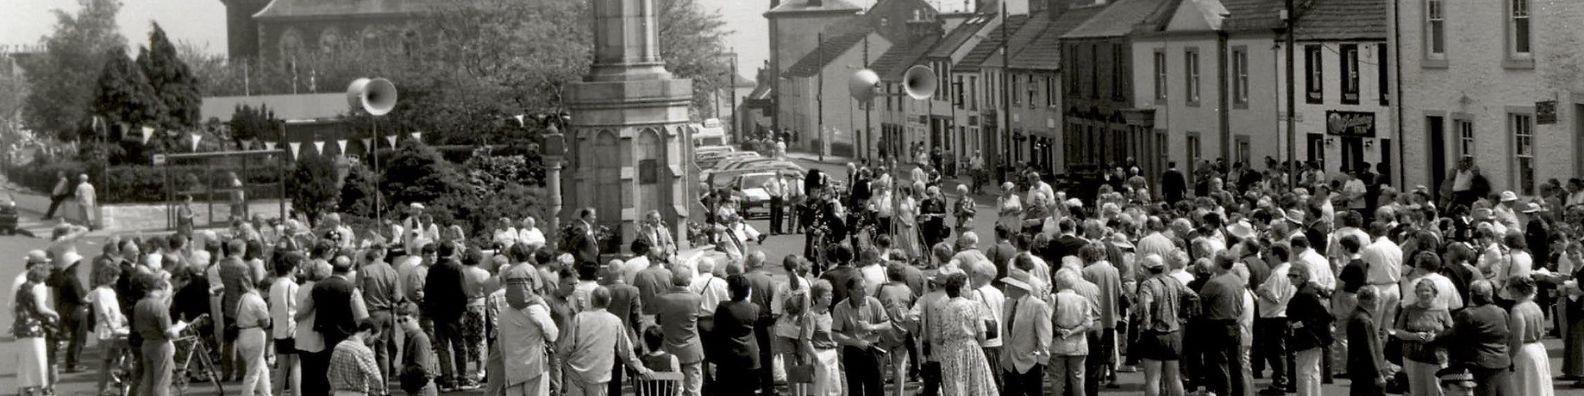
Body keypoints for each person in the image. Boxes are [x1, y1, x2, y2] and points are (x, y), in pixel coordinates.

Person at [559, 286, 655, 396]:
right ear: (609, 301)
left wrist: (564, 369)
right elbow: (627, 352)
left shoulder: (579, 318)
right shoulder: (615, 321)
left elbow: (567, 348)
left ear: (591, 300)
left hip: (576, 374)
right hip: (599, 377)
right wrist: (641, 369)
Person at [494, 263, 558, 396]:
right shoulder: (536, 310)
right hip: (535, 367)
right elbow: (553, 335)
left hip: (512, 368)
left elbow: (501, 345)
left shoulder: (504, 313)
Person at [933, 272, 998, 396]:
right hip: (970, 349)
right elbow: (982, 336)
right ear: (961, 288)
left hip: (949, 352)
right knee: (976, 386)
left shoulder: (940, 307)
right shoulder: (973, 305)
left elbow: (937, 338)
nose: (969, 289)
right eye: (967, 286)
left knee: (955, 388)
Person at [1394, 280, 1454, 396]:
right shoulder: (1409, 309)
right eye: (1420, 291)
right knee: (1417, 392)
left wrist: (1436, 337)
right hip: (1413, 357)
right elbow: (1397, 332)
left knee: (1436, 391)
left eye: (1427, 290)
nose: (1423, 293)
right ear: (1416, 293)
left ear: (1434, 293)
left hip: (1436, 358)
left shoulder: (1443, 310)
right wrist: (1414, 336)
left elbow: (1451, 332)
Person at [833, 276, 889, 396]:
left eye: (865, 288)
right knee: (855, 389)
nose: (864, 292)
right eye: (860, 289)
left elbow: (888, 324)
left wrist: (871, 327)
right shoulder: (840, 307)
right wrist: (856, 342)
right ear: (850, 291)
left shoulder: (874, 303)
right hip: (852, 350)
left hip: (872, 349)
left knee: (876, 388)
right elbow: (835, 334)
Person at [655, 266, 706, 396]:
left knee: (671, 389)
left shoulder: (661, 298)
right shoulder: (696, 298)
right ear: (688, 281)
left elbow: (658, 320)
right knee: (693, 389)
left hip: (668, 348)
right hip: (692, 349)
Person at [706, 275, 760, 395]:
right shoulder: (754, 308)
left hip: (729, 357)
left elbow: (717, 330)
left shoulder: (724, 307)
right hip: (751, 356)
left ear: (732, 290)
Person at [134, 274, 186, 396]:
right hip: (160, 345)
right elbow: (168, 331)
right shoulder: (159, 306)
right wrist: (177, 330)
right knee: (162, 381)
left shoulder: (139, 304)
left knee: (148, 380)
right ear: (161, 289)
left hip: (146, 343)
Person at [1286, 262, 1333, 396]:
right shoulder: (1307, 291)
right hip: (1313, 336)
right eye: (1289, 275)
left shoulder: (1305, 294)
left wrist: (1293, 326)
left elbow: (1309, 319)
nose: (1291, 278)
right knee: (1312, 370)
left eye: (1294, 276)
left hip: (1308, 337)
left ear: (1303, 277)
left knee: (1304, 371)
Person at [1049, 270, 1095, 396]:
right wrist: (1072, 332)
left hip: (1058, 343)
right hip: (1078, 344)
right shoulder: (1083, 300)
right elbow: (1088, 323)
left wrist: (1059, 330)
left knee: (1056, 379)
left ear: (1058, 282)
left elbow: (1046, 320)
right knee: (1078, 379)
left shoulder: (1054, 298)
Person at [14, 262, 57, 396]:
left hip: (20, 328)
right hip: (33, 329)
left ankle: (23, 391)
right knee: (38, 364)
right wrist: (54, 314)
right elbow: (41, 308)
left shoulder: (22, 287)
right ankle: (40, 391)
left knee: (25, 365)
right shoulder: (36, 288)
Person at [1505, 276, 1552, 396]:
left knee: (1524, 387)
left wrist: (1509, 357)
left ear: (1515, 290)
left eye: (1508, 287)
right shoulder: (1535, 306)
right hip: (1538, 348)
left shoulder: (1517, 310)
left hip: (1524, 352)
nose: (1508, 290)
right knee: (1538, 386)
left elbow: (1518, 338)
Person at [802, 280, 842, 396]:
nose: (830, 297)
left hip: (832, 353)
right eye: (827, 295)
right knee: (822, 391)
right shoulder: (811, 315)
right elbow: (805, 339)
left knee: (836, 390)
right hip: (820, 353)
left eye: (831, 294)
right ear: (817, 298)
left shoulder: (828, 313)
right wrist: (817, 358)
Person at [1347, 286, 1386, 396]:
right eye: (1378, 299)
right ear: (1371, 301)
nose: (1379, 302)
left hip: (1359, 369)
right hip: (1366, 371)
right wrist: (1377, 374)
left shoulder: (1358, 315)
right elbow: (1368, 349)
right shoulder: (1363, 320)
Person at [328, 320, 385, 396]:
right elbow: (376, 378)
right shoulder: (364, 351)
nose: (373, 341)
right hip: (357, 393)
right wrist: (380, 390)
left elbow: (330, 373)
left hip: (338, 392)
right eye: (374, 338)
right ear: (368, 332)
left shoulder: (338, 347)